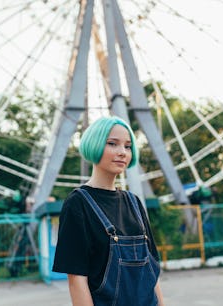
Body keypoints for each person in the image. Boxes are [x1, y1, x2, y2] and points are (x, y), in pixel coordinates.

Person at [52, 116, 165, 306]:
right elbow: (77, 280)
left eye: (128, 146)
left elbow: (152, 272)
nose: (122, 152)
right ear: (94, 145)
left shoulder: (134, 203)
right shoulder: (78, 203)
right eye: (113, 144)